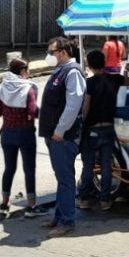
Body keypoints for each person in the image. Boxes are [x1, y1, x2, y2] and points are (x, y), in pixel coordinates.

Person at [39, 37, 85, 237]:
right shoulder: (60, 71)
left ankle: (67, 221)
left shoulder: (73, 72)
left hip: (63, 137)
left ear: (63, 52)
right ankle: (59, 216)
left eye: (52, 51)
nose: (49, 55)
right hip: (54, 135)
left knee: (65, 179)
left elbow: (73, 105)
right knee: (61, 178)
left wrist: (60, 130)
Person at [0, 59, 44, 218]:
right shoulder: (27, 89)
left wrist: (8, 113)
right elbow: (34, 111)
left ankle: (4, 205)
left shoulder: (1, 88)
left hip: (7, 133)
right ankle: (31, 206)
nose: (28, 74)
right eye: (27, 71)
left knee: (9, 168)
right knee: (29, 169)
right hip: (25, 132)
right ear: (22, 71)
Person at [77, 50, 124, 211]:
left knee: (88, 165)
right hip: (110, 128)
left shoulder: (89, 83)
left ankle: (84, 198)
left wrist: (81, 122)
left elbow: (86, 107)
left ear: (89, 65)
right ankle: (105, 200)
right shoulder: (116, 80)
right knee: (106, 166)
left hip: (93, 130)